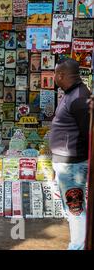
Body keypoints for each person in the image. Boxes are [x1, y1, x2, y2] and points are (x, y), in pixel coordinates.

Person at [50, 58, 90, 250]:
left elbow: (88, 134)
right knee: (72, 207)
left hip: (72, 164)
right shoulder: (71, 94)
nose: (53, 77)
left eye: (55, 73)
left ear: (61, 75)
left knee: (75, 209)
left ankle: (77, 246)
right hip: (66, 163)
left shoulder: (79, 98)